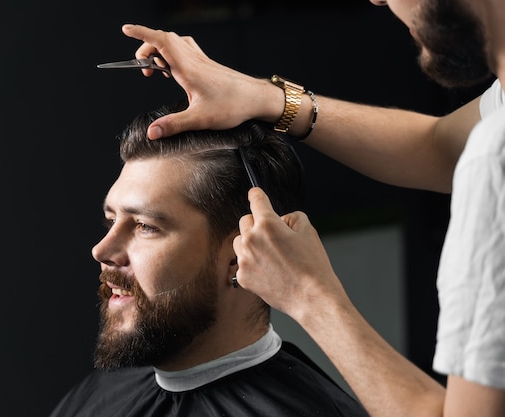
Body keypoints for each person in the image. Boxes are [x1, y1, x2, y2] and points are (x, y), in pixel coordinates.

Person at [113, 1, 505, 417]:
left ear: (234, 257)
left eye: (144, 225)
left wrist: (311, 295)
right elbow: (441, 146)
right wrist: (265, 97)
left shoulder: (492, 160)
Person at [48, 101, 369, 417]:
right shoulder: (95, 398)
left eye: (145, 226)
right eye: (110, 221)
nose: (101, 251)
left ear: (239, 256)